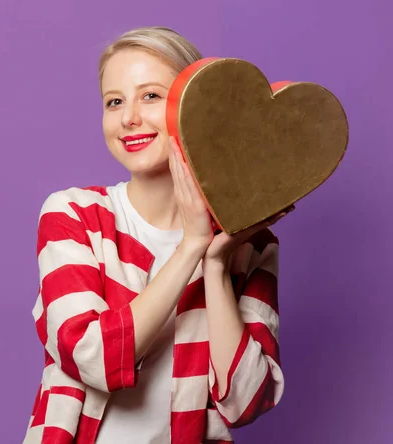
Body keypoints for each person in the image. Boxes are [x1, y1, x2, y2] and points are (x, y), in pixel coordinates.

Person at [23, 26, 290, 444]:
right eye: (114, 102)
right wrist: (192, 247)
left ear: (193, 110)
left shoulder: (251, 246)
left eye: (150, 96)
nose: (129, 117)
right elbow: (95, 360)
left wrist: (216, 265)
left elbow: (246, 402)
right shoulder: (73, 215)